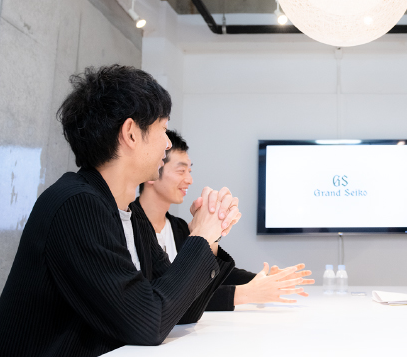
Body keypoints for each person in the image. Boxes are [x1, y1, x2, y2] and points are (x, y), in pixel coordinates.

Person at [0, 65, 241, 357]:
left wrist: (210, 234)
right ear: (131, 133)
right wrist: (200, 238)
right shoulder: (76, 204)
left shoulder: (130, 216)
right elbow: (148, 323)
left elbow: (182, 312)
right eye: (163, 129)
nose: (166, 143)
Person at [131, 129, 314, 310]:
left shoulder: (179, 228)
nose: (189, 179)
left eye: (190, 170)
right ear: (153, 168)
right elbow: (167, 296)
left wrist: (261, 281)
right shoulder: (127, 224)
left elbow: (208, 277)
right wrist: (247, 293)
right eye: (181, 171)